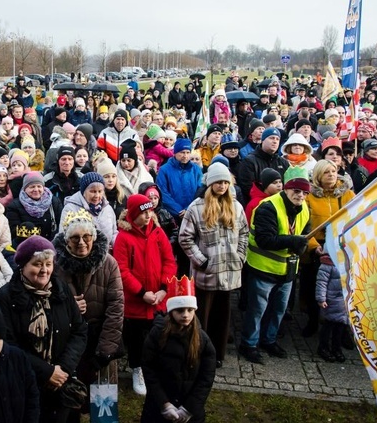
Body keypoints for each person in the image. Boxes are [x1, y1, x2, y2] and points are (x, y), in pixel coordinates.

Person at [0, 236, 87, 423]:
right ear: (23, 266)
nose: (44, 270)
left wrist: (63, 369)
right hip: (25, 384)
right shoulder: (6, 297)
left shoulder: (61, 290)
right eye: (37, 264)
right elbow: (7, 345)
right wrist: (46, 372)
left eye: (48, 263)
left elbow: (79, 331)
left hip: (62, 381)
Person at [239, 166, 314, 364]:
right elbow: (265, 240)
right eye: (296, 191)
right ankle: (249, 344)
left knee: (279, 310)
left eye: (304, 192)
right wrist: (293, 242)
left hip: (288, 270)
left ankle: (269, 340)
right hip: (263, 268)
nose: (300, 196)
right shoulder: (268, 207)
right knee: (257, 310)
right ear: (286, 189)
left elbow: (304, 232)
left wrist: (301, 246)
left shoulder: (304, 207)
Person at [179, 163, 249, 367]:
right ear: (210, 184)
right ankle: (197, 353)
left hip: (229, 273)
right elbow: (185, 238)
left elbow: (244, 233)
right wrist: (202, 261)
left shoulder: (236, 206)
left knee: (222, 318)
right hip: (206, 274)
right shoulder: (196, 207)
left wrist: (240, 256)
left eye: (226, 182)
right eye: (218, 182)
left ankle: (217, 354)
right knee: (202, 318)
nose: (222, 186)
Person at [52, 209, 124, 398]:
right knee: (69, 399)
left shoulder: (109, 263)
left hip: (100, 336)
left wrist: (105, 351)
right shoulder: (55, 264)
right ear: (66, 240)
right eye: (75, 238)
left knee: (102, 401)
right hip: (67, 341)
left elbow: (116, 309)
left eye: (86, 237)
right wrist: (69, 308)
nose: (82, 243)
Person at [113, 194, 177, 395]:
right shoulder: (123, 238)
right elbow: (122, 270)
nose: (148, 215)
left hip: (158, 298)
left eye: (150, 211)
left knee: (158, 335)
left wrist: (163, 289)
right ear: (133, 214)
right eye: (143, 212)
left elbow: (169, 261)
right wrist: (142, 293)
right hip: (136, 301)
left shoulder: (158, 233)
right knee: (136, 339)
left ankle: (154, 367)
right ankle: (137, 369)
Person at [140, 278, 216, 423]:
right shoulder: (157, 334)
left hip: (190, 408)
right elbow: (149, 369)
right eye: (180, 310)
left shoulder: (202, 338)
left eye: (190, 310)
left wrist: (190, 408)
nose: (185, 315)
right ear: (171, 311)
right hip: (157, 408)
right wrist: (164, 404)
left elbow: (206, 377)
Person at [301, 160, 355, 337]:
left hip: (342, 247)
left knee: (342, 290)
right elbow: (304, 225)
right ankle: (313, 321)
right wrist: (314, 246)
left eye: (333, 171)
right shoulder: (308, 196)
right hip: (318, 247)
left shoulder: (347, 195)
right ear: (318, 175)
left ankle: (343, 327)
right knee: (313, 287)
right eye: (326, 172)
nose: (331, 174)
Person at [59, 171, 118, 247]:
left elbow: (114, 233)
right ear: (83, 191)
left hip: (106, 254)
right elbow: (63, 236)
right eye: (92, 191)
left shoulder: (108, 208)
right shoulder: (70, 208)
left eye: (100, 191)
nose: (97, 195)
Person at [6, 171, 63, 241]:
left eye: (39, 186)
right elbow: (14, 233)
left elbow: (61, 226)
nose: (36, 190)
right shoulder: (14, 207)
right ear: (25, 189)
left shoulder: (54, 202)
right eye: (32, 187)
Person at [237, 127, 290, 202]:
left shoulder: (283, 162)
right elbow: (247, 187)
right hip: (258, 203)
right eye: (271, 138)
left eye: (277, 139)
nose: (275, 141)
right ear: (263, 140)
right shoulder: (249, 161)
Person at [315, 251, 348, 363]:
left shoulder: (349, 263)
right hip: (331, 301)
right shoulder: (327, 264)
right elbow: (321, 282)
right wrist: (321, 299)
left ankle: (336, 349)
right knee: (328, 326)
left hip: (343, 302)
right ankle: (323, 347)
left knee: (340, 327)